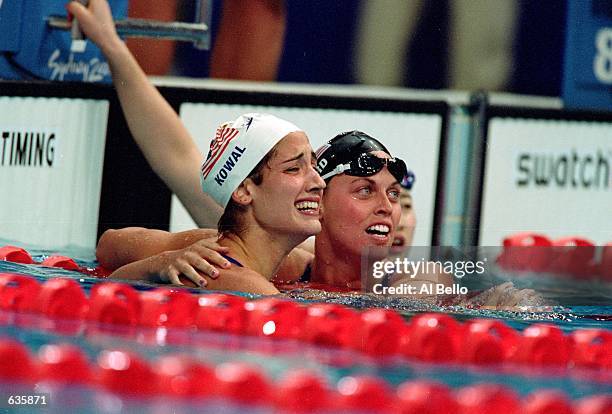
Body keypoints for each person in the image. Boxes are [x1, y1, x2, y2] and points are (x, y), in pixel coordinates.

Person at [105, 113, 325, 294]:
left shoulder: (203, 248)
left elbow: (108, 244)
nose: (319, 182)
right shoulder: (244, 286)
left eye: (313, 166)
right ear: (243, 191)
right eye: (293, 169)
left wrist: (154, 265)